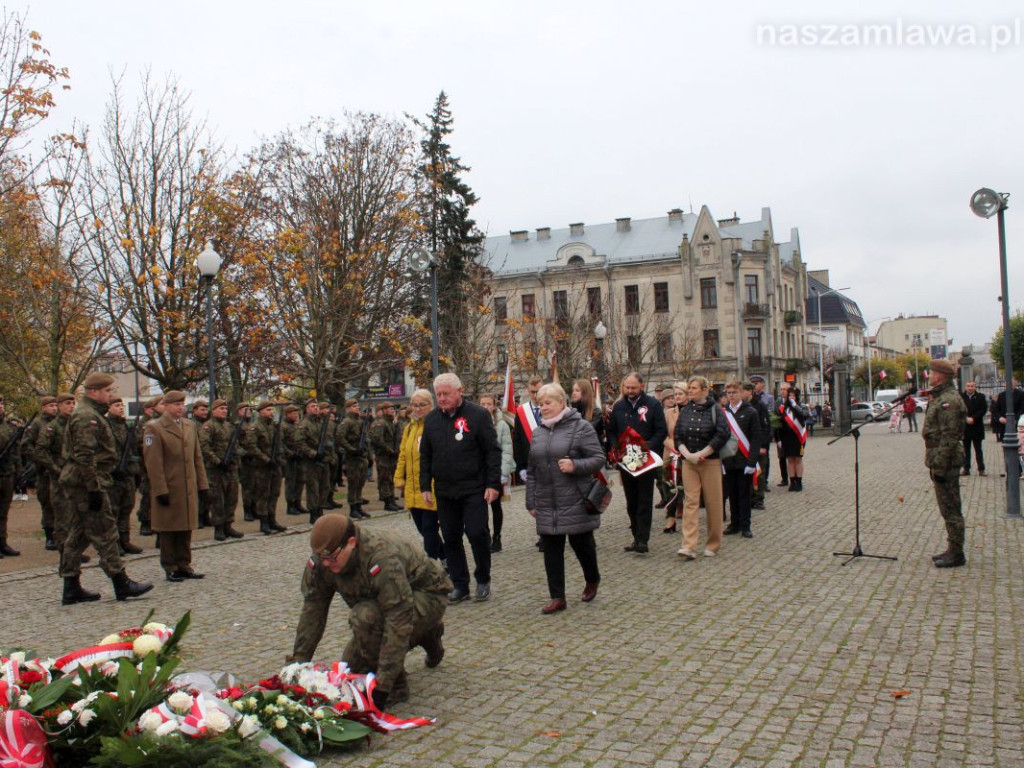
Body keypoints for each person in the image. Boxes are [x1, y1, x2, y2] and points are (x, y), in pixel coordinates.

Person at [288, 514, 451, 708]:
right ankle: (427, 635)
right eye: (321, 558)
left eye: (331, 558)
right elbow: (312, 612)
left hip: (427, 594)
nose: (326, 564)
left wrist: (383, 685)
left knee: (364, 619)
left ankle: (397, 686)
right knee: (351, 669)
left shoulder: (381, 557)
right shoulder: (325, 557)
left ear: (351, 543)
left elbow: (398, 618)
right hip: (380, 602)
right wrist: (297, 668)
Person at [58, 373, 152, 604]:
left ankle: (71, 586)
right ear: (94, 392)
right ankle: (121, 582)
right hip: (87, 483)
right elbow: (84, 455)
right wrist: (94, 489)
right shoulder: (87, 416)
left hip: (84, 481)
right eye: (108, 391)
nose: (111, 395)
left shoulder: (92, 414)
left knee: (78, 536)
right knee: (106, 531)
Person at [420, 372, 501, 604]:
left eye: (446, 394)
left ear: (459, 391)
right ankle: (460, 584)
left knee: (476, 533)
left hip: (473, 487)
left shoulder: (478, 415)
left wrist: (493, 484)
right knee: (451, 537)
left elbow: (492, 451)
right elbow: (425, 455)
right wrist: (425, 486)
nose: (442, 398)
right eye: (438, 394)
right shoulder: (431, 420)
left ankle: (483, 579)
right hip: (445, 490)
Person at [525, 383, 605, 614]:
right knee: (551, 549)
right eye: (540, 404)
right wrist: (531, 501)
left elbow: (598, 458)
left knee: (582, 545)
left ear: (561, 402)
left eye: (548, 403)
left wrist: (575, 465)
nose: (543, 408)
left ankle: (592, 578)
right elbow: (532, 470)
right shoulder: (538, 432)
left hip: (575, 497)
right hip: (546, 499)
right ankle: (557, 597)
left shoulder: (581, 427)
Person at [143, 389, 209, 582]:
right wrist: (160, 489)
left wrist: (202, 484)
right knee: (169, 528)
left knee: (186, 526)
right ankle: (170, 566)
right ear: (166, 406)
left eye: (182, 404)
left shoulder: (189, 425)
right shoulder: (155, 428)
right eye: (176, 405)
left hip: (187, 485)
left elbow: (197, 457)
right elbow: (153, 463)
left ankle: (184, 564)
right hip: (170, 485)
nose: (180, 408)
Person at [605, 372, 667, 554]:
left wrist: (648, 446)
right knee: (631, 500)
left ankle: (643, 539)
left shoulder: (653, 405)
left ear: (641, 386)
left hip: (645, 459)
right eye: (627, 387)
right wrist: (616, 447)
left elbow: (661, 431)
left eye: (633, 387)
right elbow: (611, 431)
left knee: (644, 499)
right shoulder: (619, 406)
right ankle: (635, 535)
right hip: (626, 459)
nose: (630, 391)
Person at [673, 375, 730, 560]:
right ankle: (688, 545)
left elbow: (722, 433)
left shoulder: (715, 409)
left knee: (713, 503)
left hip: (710, 461)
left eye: (694, 388)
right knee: (690, 502)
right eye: (689, 388)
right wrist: (687, 454)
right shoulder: (685, 410)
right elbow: (677, 435)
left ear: (704, 390)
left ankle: (713, 543)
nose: (690, 391)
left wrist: (704, 452)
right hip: (689, 462)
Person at [922, 360, 967, 568]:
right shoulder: (941, 397)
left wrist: (939, 464)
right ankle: (953, 549)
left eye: (931, 373)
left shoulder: (948, 400)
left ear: (940, 376)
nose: (929, 376)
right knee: (947, 508)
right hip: (939, 457)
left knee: (951, 509)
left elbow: (950, 436)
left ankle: (956, 553)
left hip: (946, 460)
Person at [394, 389, 444, 563]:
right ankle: (445, 555)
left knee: (429, 528)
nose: (417, 408)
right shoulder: (409, 428)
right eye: (414, 405)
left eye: (422, 405)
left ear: (431, 405)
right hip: (412, 487)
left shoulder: (436, 425)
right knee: (423, 529)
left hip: (430, 486)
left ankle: (429, 565)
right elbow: (403, 455)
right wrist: (398, 477)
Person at [35, 393, 76, 557]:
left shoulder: (74, 424)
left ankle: (72, 549)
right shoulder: (51, 427)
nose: (71, 406)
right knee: (61, 514)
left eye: (73, 403)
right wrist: (55, 468)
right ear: (59, 406)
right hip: (58, 476)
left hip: (73, 475)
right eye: (67, 403)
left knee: (73, 513)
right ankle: (64, 550)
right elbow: (40, 451)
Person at [198, 399, 245, 541]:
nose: (224, 411)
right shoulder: (208, 426)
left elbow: (235, 445)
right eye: (221, 408)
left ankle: (228, 525)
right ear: (213, 410)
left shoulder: (229, 426)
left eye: (225, 408)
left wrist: (237, 457)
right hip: (215, 469)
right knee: (217, 499)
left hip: (230, 468)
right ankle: (218, 528)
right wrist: (218, 462)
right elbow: (205, 447)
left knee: (232, 498)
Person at [721, 380, 763, 539]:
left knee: (744, 495)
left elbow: (756, 438)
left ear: (741, 393)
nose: (731, 395)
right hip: (728, 460)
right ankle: (735, 523)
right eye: (729, 393)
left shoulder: (751, 412)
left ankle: (746, 525)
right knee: (732, 495)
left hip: (744, 460)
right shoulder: (723, 413)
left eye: (734, 392)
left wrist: (752, 462)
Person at [106, 396, 144, 554]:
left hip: (128, 473)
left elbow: (134, 450)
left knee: (127, 507)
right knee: (113, 510)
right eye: (116, 405)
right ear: (109, 408)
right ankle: (114, 543)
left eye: (121, 405)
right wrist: (113, 468)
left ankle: (125, 540)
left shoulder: (126, 426)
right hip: (114, 474)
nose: (121, 407)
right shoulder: (106, 426)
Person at [479, 393, 513, 553]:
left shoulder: (501, 425)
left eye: (489, 404)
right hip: (480, 471)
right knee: (480, 506)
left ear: (494, 406)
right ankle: (485, 536)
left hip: (496, 469)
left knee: (495, 505)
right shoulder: (475, 422)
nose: (486, 407)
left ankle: (497, 537)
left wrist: (503, 472)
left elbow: (507, 449)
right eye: (483, 404)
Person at [30, 396, 58, 550]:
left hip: (59, 470)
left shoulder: (60, 422)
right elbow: (27, 445)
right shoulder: (37, 423)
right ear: (43, 408)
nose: (54, 408)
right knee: (47, 503)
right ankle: (50, 537)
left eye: (55, 405)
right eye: (50, 405)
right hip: (44, 472)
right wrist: (40, 460)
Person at [660, 381, 688, 532]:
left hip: (689, 455)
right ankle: (670, 518)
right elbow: (662, 434)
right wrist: (674, 447)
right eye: (675, 394)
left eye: (680, 394)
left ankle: (684, 510)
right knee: (669, 485)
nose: (676, 397)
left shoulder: (693, 411)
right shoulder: (669, 413)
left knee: (687, 486)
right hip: (671, 454)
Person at [135, 395, 164, 536]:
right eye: (162, 404)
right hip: (149, 465)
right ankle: (145, 521)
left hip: (165, 465)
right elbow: (145, 444)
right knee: (148, 493)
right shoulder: (149, 424)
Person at [339, 399, 371, 519]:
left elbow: (366, 439)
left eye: (357, 406)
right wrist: (351, 449)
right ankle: (353, 508)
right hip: (352, 458)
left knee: (360, 483)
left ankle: (359, 506)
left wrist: (368, 454)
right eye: (354, 406)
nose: (357, 407)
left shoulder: (360, 421)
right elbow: (340, 438)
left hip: (362, 457)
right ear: (348, 408)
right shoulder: (346, 422)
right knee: (353, 483)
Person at [369, 402, 403, 512]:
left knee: (391, 478)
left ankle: (392, 499)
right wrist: (389, 450)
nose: (392, 410)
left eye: (393, 408)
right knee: (385, 479)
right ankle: (387, 502)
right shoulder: (381, 423)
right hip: (384, 455)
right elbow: (378, 439)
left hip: (391, 455)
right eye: (390, 408)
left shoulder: (390, 422)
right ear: (384, 410)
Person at [0, 394, 22, 557]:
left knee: (3, 512)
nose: (0, 406)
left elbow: (16, 452)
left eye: (1, 402)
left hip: (7, 474)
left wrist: (18, 473)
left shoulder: (8, 427)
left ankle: (2, 543)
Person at [743, 381, 770, 511]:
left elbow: (766, 427)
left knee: (759, 473)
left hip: (758, 445)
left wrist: (763, 445)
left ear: (750, 392)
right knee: (746, 472)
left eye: (743, 391)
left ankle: (759, 498)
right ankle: (749, 497)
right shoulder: (741, 406)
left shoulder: (760, 405)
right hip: (745, 445)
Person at [778, 386, 809, 491]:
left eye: (793, 395)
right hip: (787, 437)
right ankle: (792, 482)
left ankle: (799, 482)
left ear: (797, 396)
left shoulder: (802, 406)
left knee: (798, 459)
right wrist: (779, 439)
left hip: (798, 436)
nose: (791, 397)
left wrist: (795, 406)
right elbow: (779, 423)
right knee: (790, 459)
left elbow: (804, 416)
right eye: (790, 395)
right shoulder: (783, 408)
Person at [282, 404, 306, 516]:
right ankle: (290, 505)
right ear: (287, 414)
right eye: (294, 413)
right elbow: (281, 443)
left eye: (297, 413)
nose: (296, 415)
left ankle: (298, 503)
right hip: (289, 458)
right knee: (291, 482)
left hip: (299, 456)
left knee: (300, 481)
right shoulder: (283, 426)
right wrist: (290, 453)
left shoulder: (297, 425)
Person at [960, 381, 987, 476]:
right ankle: (966, 469)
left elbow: (983, 409)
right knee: (966, 450)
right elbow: (958, 409)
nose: (970, 388)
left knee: (978, 449)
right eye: (968, 386)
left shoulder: (981, 397)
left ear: (975, 387)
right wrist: (965, 418)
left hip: (977, 426)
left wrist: (974, 418)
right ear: (965, 387)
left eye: (972, 386)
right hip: (965, 427)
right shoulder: (961, 397)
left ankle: (981, 469)